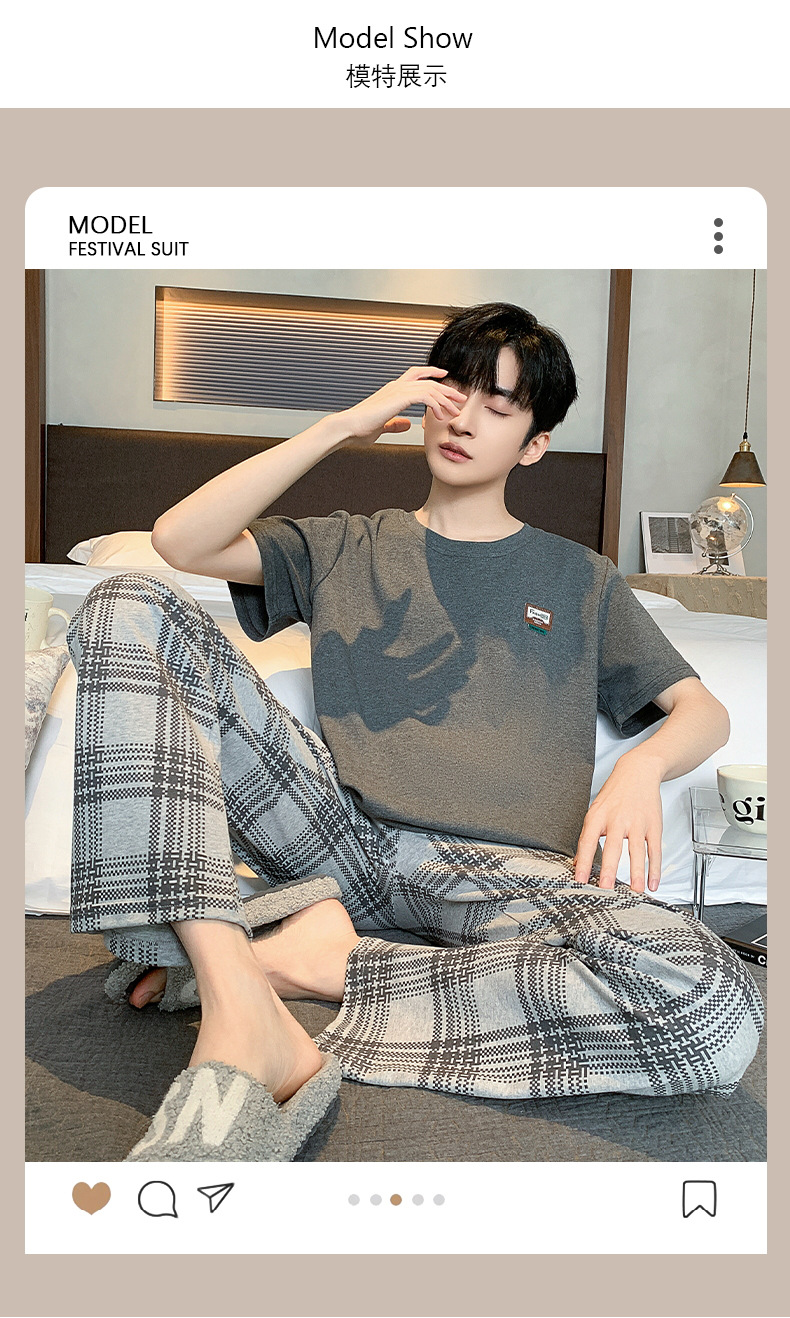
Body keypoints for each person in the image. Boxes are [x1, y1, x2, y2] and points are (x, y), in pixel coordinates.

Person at [67, 302, 763, 1160]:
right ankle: (238, 994)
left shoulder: (581, 580)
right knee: (126, 602)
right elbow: (179, 539)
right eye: (453, 391)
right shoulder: (346, 544)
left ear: (535, 445)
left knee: (708, 999)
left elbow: (704, 711)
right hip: (334, 839)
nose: (464, 418)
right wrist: (342, 427)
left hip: (499, 873)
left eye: (499, 406)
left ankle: (298, 963)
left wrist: (639, 770)